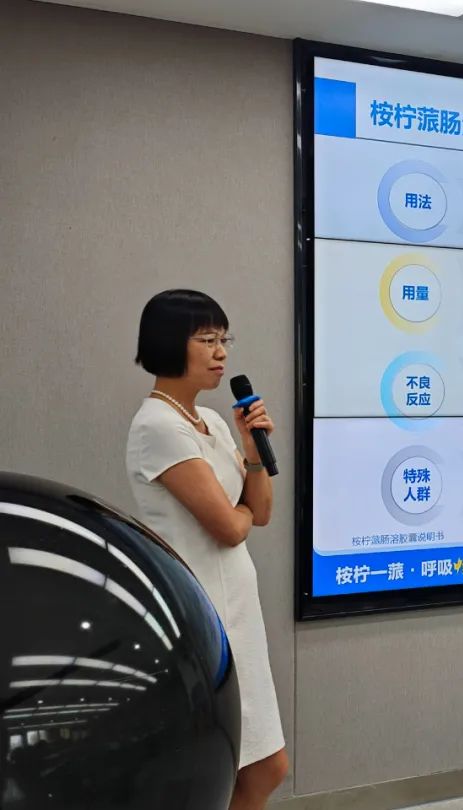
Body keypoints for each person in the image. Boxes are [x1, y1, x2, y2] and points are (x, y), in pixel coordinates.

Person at [125, 289, 287, 810]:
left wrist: (252, 452)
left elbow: (261, 510)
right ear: (170, 343)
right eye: (207, 340)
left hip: (239, 611)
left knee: (262, 767)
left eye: (224, 339)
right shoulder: (158, 426)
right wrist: (240, 513)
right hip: (203, 614)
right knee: (230, 767)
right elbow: (229, 528)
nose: (221, 353)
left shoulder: (213, 421)